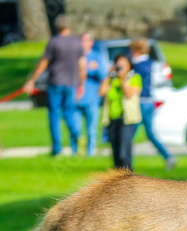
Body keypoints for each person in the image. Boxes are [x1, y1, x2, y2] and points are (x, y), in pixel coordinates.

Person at [23, 15, 86, 156]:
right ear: (69, 27)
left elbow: (43, 63)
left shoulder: (54, 42)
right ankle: (77, 135)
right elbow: (82, 66)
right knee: (69, 113)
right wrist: (81, 84)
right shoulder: (77, 43)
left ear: (56, 27)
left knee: (54, 115)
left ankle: (57, 148)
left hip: (55, 83)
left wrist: (32, 80)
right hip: (71, 83)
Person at [129, 39, 175, 171]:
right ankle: (168, 157)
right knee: (150, 133)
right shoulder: (153, 64)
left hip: (140, 102)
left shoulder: (138, 65)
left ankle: (126, 163)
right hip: (150, 101)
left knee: (130, 134)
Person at [100, 55, 142, 170]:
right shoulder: (112, 80)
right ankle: (118, 182)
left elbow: (128, 94)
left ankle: (129, 178)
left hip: (126, 120)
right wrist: (109, 75)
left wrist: (123, 79)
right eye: (119, 65)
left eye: (124, 64)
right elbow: (102, 92)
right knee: (116, 154)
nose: (121, 67)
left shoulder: (134, 78)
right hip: (112, 119)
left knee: (124, 154)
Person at [74, 32, 104, 157]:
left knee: (91, 128)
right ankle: (77, 151)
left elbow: (104, 76)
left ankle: (90, 153)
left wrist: (95, 69)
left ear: (91, 42)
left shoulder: (96, 56)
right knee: (75, 128)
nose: (82, 43)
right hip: (76, 98)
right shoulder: (74, 56)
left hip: (92, 98)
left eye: (85, 40)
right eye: (81, 40)